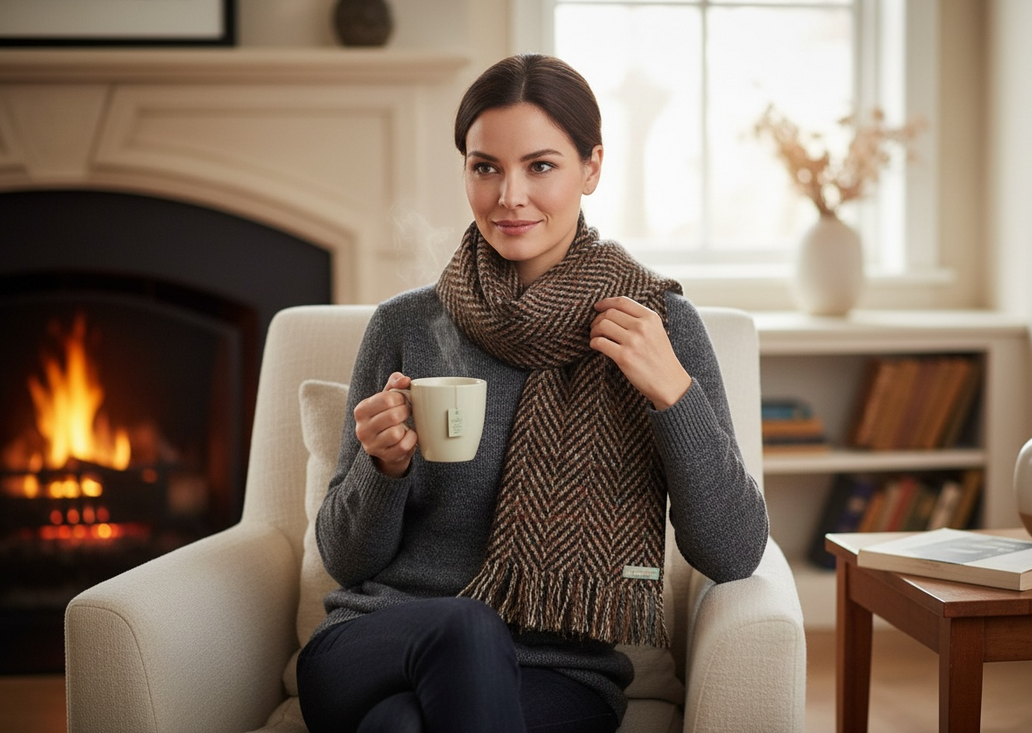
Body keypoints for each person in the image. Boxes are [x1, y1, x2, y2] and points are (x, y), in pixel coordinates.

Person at [296, 53, 769, 733]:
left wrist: (673, 393)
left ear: (592, 168)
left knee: (398, 727)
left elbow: (733, 551)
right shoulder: (405, 325)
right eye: (485, 166)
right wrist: (383, 469)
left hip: (555, 673)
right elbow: (345, 560)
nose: (509, 195)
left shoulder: (657, 328)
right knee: (464, 626)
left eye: (540, 166)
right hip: (375, 640)